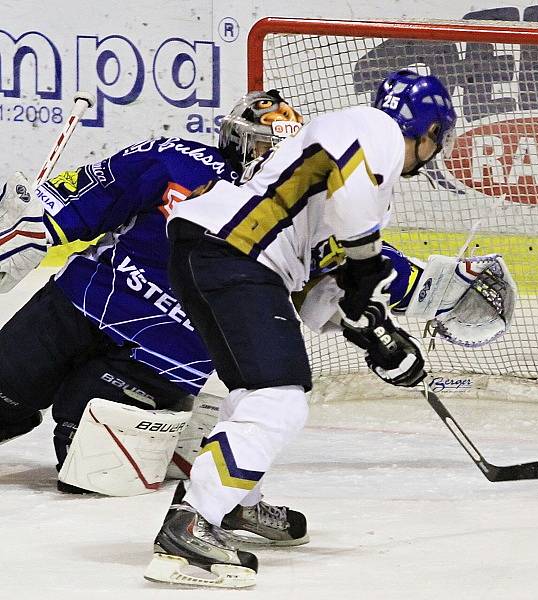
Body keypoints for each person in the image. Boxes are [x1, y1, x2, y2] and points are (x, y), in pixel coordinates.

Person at [142, 69, 458, 588]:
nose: (435, 150)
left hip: (216, 254)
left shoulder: (359, 169)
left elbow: (315, 295)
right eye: (436, 139)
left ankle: (235, 505)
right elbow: (356, 227)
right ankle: (191, 527)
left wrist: (374, 332)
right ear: (428, 132)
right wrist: (367, 269)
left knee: (250, 391)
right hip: (233, 256)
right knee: (278, 399)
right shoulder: (371, 130)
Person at [0, 91, 312, 543]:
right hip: (80, 301)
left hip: (164, 356)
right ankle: (184, 432)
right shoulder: (174, 160)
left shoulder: (294, 215)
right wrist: (28, 227)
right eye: (260, 143)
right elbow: (83, 198)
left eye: (276, 148)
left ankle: (189, 438)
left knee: (87, 467)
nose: (266, 156)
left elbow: (357, 264)